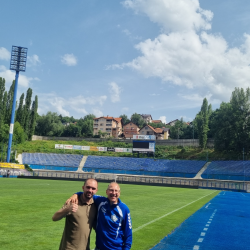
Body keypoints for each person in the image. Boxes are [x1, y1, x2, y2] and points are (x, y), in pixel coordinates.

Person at [68, 182, 132, 250]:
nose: (113, 193)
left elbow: (128, 233)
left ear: (119, 193)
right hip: (99, 248)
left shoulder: (124, 209)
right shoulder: (101, 201)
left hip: (115, 248)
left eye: (116, 191)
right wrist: (75, 195)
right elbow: (88, 194)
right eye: (111, 190)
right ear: (106, 192)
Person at [52, 178, 98, 250]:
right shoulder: (73, 202)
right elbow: (54, 218)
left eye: (93, 188)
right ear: (83, 187)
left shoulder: (95, 205)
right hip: (69, 248)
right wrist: (67, 209)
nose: (90, 190)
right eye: (88, 187)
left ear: (96, 190)